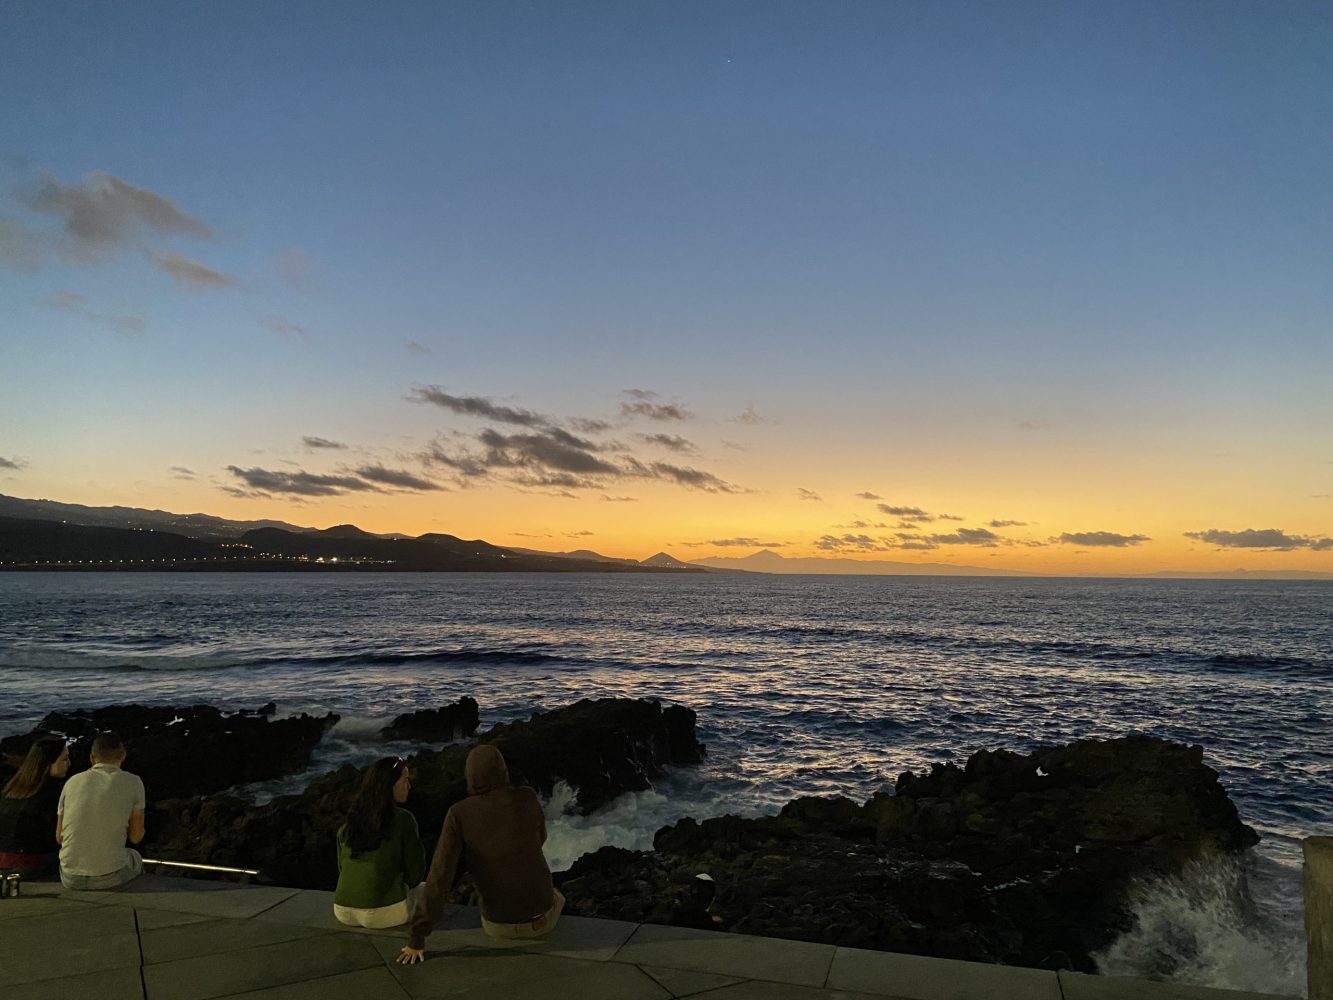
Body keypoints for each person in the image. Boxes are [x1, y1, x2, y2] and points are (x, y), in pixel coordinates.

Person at [399, 744, 563, 964]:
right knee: (558, 895)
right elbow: (540, 839)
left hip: (497, 925)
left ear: (470, 775)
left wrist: (416, 938)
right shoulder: (527, 797)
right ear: (503, 771)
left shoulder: (459, 813)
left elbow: (440, 876)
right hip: (540, 920)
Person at [333, 756, 426, 928]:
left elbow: (341, 867)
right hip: (383, 914)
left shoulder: (349, 824)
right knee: (427, 889)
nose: (409, 786)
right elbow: (415, 874)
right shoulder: (403, 819)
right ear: (390, 785)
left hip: (342, 910)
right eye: (405, 780)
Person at [56, 730, 145, 890]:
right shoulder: (133, 782)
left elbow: (59, 837)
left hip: (70, 876)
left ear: (92, 758)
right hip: (111, 875)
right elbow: (136, 837)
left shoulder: (72, 782)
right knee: (135, 857)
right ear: (123, 756)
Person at [0, 737, 71, 877]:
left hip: (3, 858)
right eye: (64, 759)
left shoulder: (11, 788)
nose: (69, 764)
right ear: (48, 763)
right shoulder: (54, 793)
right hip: (31, 862)